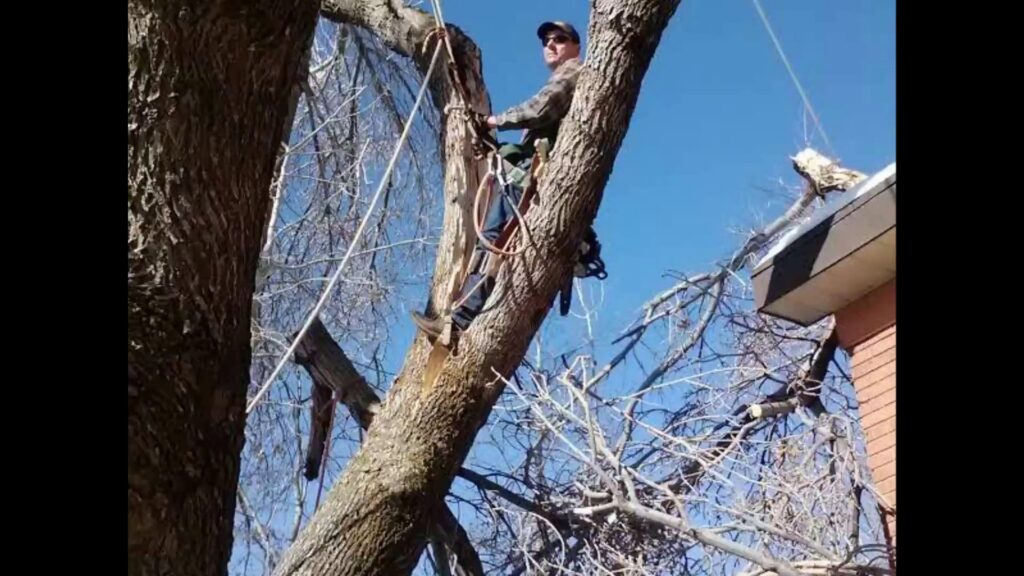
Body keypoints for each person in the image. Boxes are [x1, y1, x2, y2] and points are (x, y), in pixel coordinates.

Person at [412, 21, 584, 340]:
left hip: (531, 178)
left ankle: (459, 320)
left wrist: (494, 121)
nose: (551, 44)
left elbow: (540, 108)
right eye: (546, 40)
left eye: (560, 39)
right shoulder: (570, 75)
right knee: (494, 242)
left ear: (576, 46)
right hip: (526, 174)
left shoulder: (573, 71)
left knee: (493, 241)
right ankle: (468, 318)